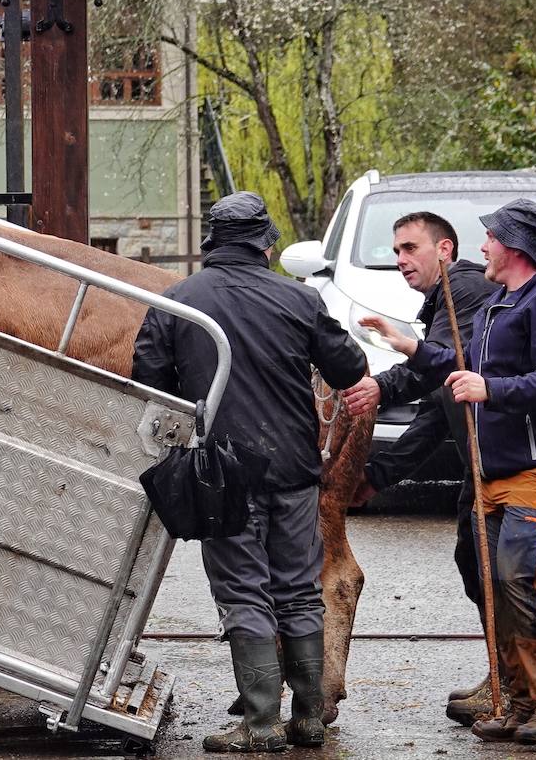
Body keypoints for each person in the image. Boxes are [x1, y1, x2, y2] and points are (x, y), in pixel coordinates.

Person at [132, 191, 367, 752]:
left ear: (212, 246)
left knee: (244, 593)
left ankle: (260, 725)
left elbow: (147, 379)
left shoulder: (179, 302)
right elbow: (350, 366)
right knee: (297, 590)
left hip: (222, 472)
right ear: (266, 246)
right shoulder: (299, 299)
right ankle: (309, 718)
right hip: (293, 469)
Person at [373, 199, 536, 745]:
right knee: (494, 583)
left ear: (514, 247)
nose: (481, 248)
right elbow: (462, 366)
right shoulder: (499, 303)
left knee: (518, 578)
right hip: (494, 472)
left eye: (489, 238)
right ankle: (519, 702)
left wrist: (490, 389)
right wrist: (413, 349)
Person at [338, 212, 498, 726]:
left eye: (410, 248)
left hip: (510, 463)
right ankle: (506, 675)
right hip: (482, 465)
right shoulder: (442, 302)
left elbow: (452, 360)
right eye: (397, 252)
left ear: (444, 249)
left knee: (504, 574)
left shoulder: (467, 292)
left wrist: (385, 383)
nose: (401, 260)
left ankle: (521, 686)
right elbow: (436, 409)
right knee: (475, 562)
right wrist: (376, 476)